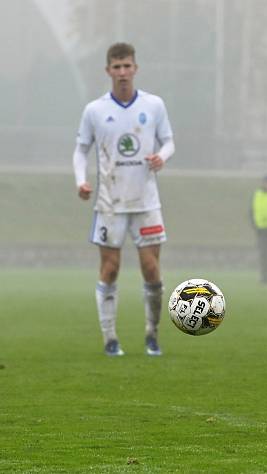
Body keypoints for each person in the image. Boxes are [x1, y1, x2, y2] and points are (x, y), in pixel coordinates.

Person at [73, 42, 175, 357]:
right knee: (110, 268)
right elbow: (81, 149)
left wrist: (162, 156)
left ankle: (152, 335)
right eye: (116, 67)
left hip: (146, 202)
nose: (122, 72)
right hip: (110, 203)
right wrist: (81, 181)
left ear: (135, 68)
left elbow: (169, 141)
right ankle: (110, 339)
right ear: (108, 71)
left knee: (151, 269)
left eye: (127, 66)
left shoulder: (154, 105)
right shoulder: (95, 110)